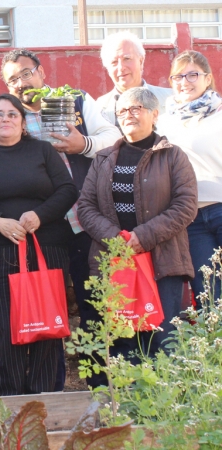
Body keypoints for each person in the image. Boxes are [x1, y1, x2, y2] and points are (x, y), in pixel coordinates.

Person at [0, 48, 120, 389]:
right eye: (13, 80)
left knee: (92, 304)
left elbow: (113, 138)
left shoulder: (72, 100)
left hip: (85, 221)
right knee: (48, 303)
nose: (22, 83)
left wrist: (83, 144)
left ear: (40, 72)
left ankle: (100, 388)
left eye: (26, 73)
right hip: (45, 227)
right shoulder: (13, 118)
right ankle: (50, 389)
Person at [0, 93, 78, 395]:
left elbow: (67, 190)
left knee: (46, 327)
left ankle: (44, 401)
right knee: (2, 328)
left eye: (12, 114)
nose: (5, 120)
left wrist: (39, 215)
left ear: (23, 123)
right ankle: (10, 402)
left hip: (45, 248)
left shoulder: (42, 151)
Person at [78, 87, 197, 358]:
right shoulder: (103, 158)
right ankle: (125, 401)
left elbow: (185, 206)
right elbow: (86, 206)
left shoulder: (172, 156)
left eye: (136, 109)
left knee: (162, 340)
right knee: (123, 343)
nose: (128, 115)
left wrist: (141, 237)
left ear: (154, 114)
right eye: (122, 111)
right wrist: (117, 240)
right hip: (114, 260)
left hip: (162, 262)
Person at [158, 50, 222, 305]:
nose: (185, 81)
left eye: (192, 74)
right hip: (190, 218)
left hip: (221, 208)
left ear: (207, 79)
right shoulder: (163, 122)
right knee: (208, 292)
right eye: (178, 76)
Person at [97, 31, 172, 125]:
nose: (121, 68)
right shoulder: (98, 108)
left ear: (141, 61)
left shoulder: (170, 99)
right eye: (114, 62)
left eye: (127, 59)